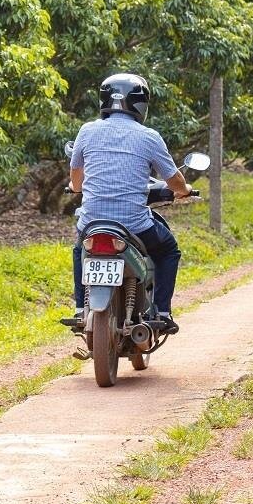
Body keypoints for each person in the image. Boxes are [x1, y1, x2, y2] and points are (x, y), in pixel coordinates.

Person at [65, 72, 191, 334]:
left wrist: (76, 187)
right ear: (141, 103)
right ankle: (163, 312)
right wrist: (184, 190)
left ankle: (80, 308)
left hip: (92, 223)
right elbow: (175, 182)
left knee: (79, 248)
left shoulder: (86, 131)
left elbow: (75, 182)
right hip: (134, 225)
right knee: (169, 250)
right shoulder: (149, 137)